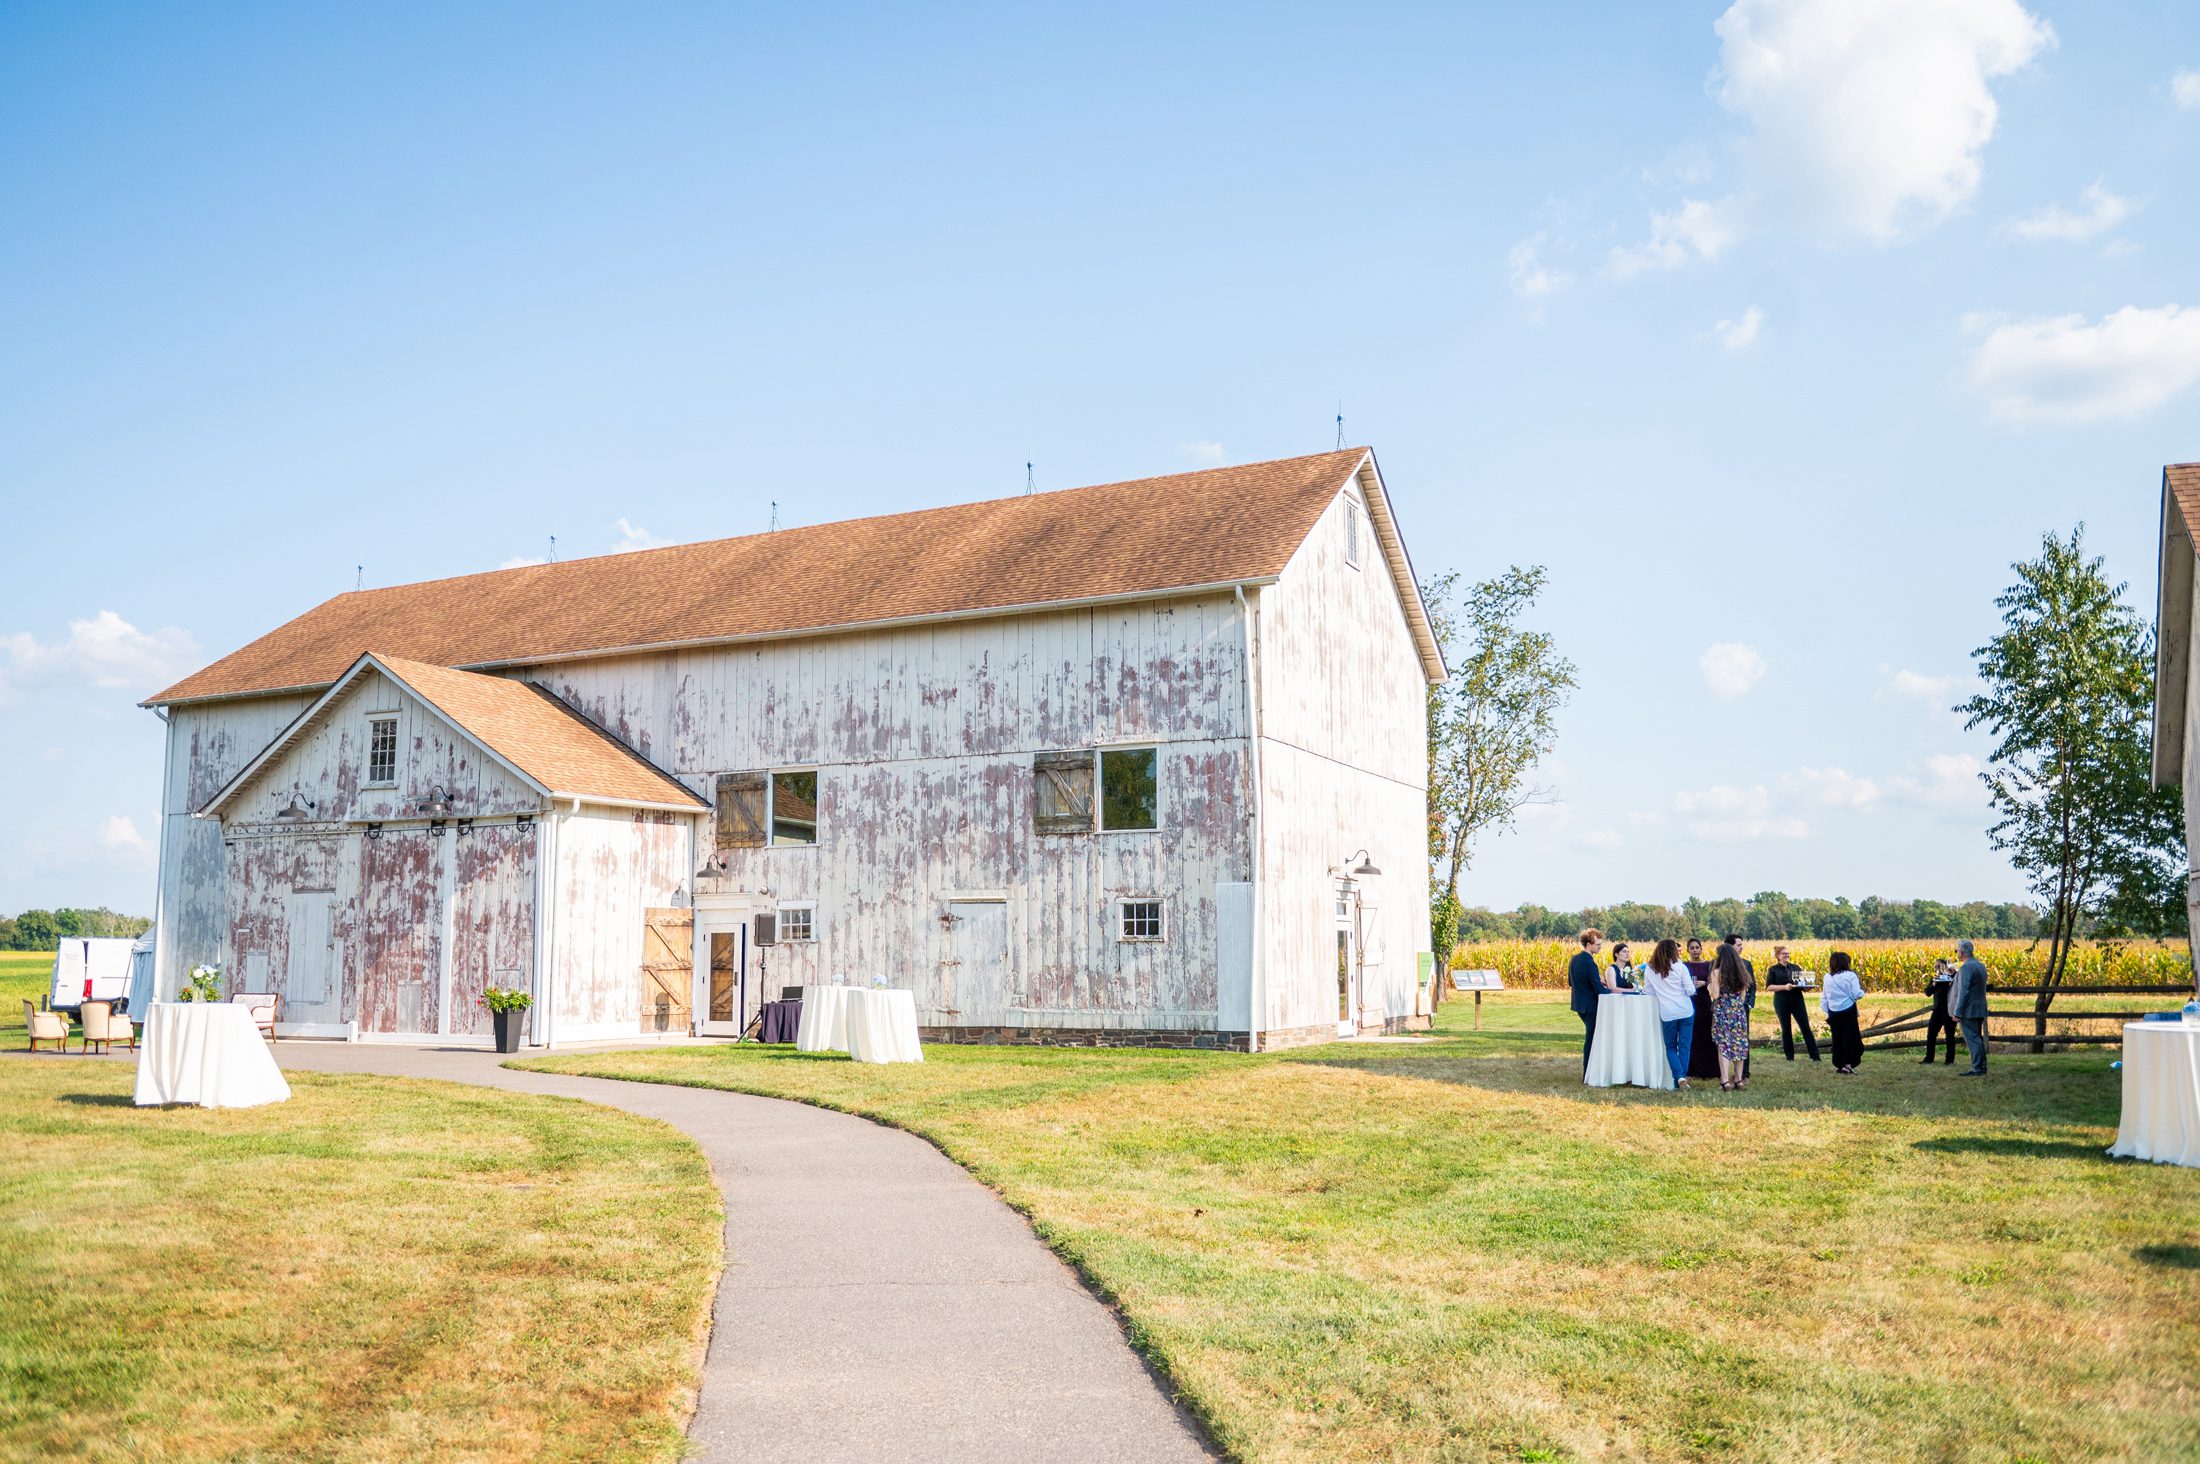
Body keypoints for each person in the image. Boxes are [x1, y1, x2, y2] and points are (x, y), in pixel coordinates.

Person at [1641, 937, 1696, 1087]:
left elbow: (1648, 991)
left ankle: (1679, 1077)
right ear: (1673, 951)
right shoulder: (1680, 967)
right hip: (1685, 1010)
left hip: (1667, 1012)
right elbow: (1690, 990)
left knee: (1671, 1047)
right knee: (1684, 1046)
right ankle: (1681, 1078)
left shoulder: (1650, 969)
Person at [1765, 942, 1821, 1062]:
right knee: (1786, 1029)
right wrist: (1784, 987)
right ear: (1778, 955)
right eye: (1784, 953)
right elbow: (1769, 987)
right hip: (1781, 1001)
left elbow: (1802, 985)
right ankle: (1789, 1057)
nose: (1787, 955)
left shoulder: (1796, 967)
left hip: (1797, 1000)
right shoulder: (1773, 970)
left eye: (1788, 953)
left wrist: (1809, 987)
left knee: (1805, 1027)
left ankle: (1815, 1056)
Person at [1711, 944, 1751, 1091]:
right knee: (1739, 1043)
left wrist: (1709, 988)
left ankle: (1725, 1080)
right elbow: (1743, 996)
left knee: (1723, 1044)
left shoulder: (1717, 972)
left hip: (1723, 1010)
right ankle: (1739, 1079)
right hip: (1738, 1011)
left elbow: (1715, 995)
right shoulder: (1741, 972)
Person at [1568, 927, 1606, 1076]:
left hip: (1578, 1004)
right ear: (1589, 944)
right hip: (1591, 1006)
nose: (1600, 947)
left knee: (1591, 1037)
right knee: (1591, 1039)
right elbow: (1599, 989)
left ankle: (1590, 1071)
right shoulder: (1590, 963)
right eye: (1598, 944)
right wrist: (1614, 991)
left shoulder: (1574, 959)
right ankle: (1587, 1073)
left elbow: (1571, 982)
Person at [1820, 950, 1864, 1073]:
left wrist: (1828, 1010)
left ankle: (1839, 1063)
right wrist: (1862, 992)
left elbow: (1825, 996)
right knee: (1850, 1038)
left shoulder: (1827, 977)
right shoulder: (1850, 976)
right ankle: (1848, 1064)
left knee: (1837, 1038)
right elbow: (1857, 994)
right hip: (1848, 1009)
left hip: (1833, 1011)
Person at [1951, 938, 1989, 1077]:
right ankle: (1981, 1066)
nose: (1956, 953)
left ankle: (1977, 1068)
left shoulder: (1966, 967)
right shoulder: (1980, 965)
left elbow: (1964, 991)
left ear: (1962, 952)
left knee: (1973, 1039)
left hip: (1969, 1009)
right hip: (1979, 1007)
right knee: (1977, 1038)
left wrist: (1957, 1012)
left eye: (1957, 950)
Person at [1684, 937, 1720, 1080]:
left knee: (1707, 1034)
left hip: (1704, 1002)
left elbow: (1715, 981)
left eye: (1697, 947)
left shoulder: (1709, 965)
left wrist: (1704, 983)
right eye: (1692, 948)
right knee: (1693, 1036)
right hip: (1690, 1002)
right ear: (1688, 950)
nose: (1695, 950)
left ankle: (1710, 1070)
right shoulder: (1684, 965)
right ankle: (1693, 1069)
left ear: (1701, 949)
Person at [1722, 934, 1757, 1077]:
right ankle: (1724, 1073)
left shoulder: (1746, 964)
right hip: (1724, 1008)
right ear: (1730, 947)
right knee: (1724, 1040)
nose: (1742, 947)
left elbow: (1752, 987)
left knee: (1742, 1040)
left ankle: (1743, 1073)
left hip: (1742, 1008)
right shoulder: (1719, 965)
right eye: (1739, 945)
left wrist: (1749, 1004)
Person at [1921, 957, 1959, 1066]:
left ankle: (1949, 1060)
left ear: (1945, 966)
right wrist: (1933, 984)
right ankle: (1929, 1058)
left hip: (1949, 1010)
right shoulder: (1935, 978)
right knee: (1931, 1034)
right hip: (1937, 1010)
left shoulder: (1952, 977)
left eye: (1939, 966)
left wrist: (1951, 975)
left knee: (1950, 1035)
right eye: (1935, 966)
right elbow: (1927, 993)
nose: (1937, 968)